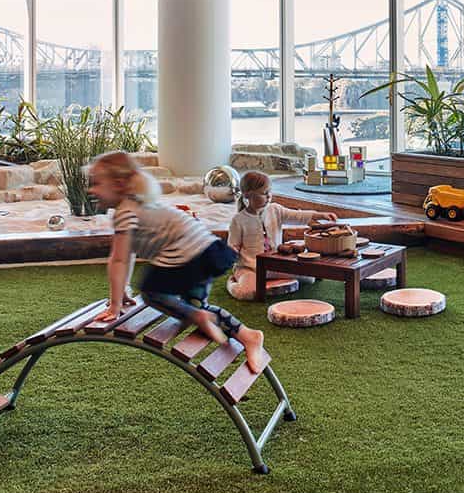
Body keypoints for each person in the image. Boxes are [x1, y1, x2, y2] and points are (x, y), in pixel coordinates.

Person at [88, 152, 268, 372]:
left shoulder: (125, 212)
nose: (91, 190)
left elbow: (119, 260)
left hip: (188, 256)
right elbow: (129, 254)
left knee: (151, 292)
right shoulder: (141, 205)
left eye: (96, 183)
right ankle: (248, 336)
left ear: (118, 184)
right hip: (208, 251)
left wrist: (115, 306)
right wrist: (122, 291)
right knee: (198, 308)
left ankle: (199, 316)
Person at [226, 171, 337, 300]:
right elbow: (232, 245)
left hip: (274, 265)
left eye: (269, 191)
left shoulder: (275, 209)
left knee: (309, 278)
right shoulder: (238, 220)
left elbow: (297, 215)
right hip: (249, 268)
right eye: (264, 193)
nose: (269, 196)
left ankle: (273, 285)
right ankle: (232, 282)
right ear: (248, 195)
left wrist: (320, 215)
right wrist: (232, 252)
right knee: (247, 292)